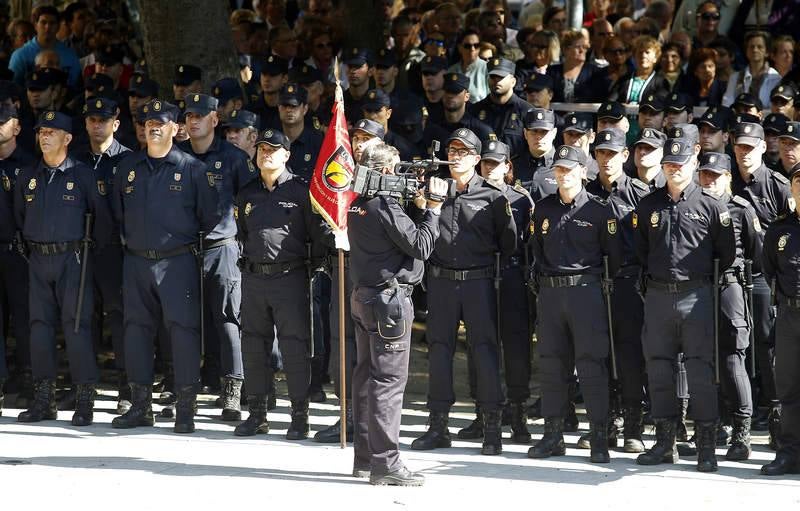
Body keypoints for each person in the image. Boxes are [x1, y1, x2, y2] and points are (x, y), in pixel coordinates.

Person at [110, 99, 220, 434]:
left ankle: (186, 407)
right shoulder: (127, 168)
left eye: (161, 122)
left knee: (184, 333)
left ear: (176, 129)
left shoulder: (192, 169)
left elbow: (210, 216)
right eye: (148, 122)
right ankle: (141, 406)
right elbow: (117, 213)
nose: (153, 127)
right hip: (137, 263)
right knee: (136, 332)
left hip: (177, 262)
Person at [634, 128, 736, 472]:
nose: (674, 169)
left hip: (697, 296)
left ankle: (706, 444)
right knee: (659, 368)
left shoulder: (711, 206)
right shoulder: (648, 205)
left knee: (700, 370)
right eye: (669, 164)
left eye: (680, 164)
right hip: (659, 296)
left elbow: (727, 252)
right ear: (662, 166)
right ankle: (665, 442)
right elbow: (640, 251)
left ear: (692, 163)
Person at [410, 128, 516, 456]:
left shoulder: (493, 196)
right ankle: (438, 425)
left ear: (476, 158)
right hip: (441, 280)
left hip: (478, 281)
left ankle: (491, 425)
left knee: (483, 350)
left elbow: (508, 242)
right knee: (439, 350)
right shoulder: (433, 189)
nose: (455, 156)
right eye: (452, 150)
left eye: (463, 152)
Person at [346, 142, 446, 486]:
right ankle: (386, 463)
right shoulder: (385, 206)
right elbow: (420, 245)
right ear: (386, 171)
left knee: (365, 378)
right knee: (387, 383)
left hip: (364, 297)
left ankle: (366, 459)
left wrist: (414, 208)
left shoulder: (359, 204)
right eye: (396, 169)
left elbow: (399, 240)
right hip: (388, 302)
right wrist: (432, 208)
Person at [14, 111, 111, 426]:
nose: (45, 137)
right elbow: (19, 216)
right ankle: (44, 399)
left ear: (67, 138)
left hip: (74, 258)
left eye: (52, 132)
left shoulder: (83, 175)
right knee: (39, 327)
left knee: (77, 326)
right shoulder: (28, 176)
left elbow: (102, 222)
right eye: (42, 131)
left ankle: (84, 399)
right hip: (38, 258)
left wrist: (86, 253)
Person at [529, 143, 621, 463]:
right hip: (552, 293)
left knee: (591, 364)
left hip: (587, 294)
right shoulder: (543, 209)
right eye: (559, 169)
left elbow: (614, 256)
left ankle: (598, 436)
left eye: (569, 169)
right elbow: (536, 252)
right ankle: (553, 435)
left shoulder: (599, 211)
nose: (563, 175)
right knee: (552, 364)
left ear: (583, 172)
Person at [232, 128, 321, 440]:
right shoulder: (246, 193)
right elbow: (242, 232)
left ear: (286, 155)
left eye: (273, 149)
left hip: (290, 278)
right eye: (261, 150)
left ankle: (300, 416)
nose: (266, 154)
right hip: (254, 277)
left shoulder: (300, 191)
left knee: (295, 347)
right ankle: (257, 414)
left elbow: (317, 237)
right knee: (253, 346)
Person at [179, 93, 255, 420]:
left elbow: (250, 202)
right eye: (188, 116)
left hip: (223, 246)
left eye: (200, 115)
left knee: (228, 320)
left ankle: (232, 391)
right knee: (183, 321)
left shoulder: (234, 158)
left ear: (214, 119)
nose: (193, 121)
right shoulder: (176, 156)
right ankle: (184, 389)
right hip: (182, 250)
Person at [457, 140, 533, 444]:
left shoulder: (521, 199)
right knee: (480, 344)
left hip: (513, 276)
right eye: (485, 162)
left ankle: (518, 413)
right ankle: (483, 411)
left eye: (495, 163)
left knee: (516, 347)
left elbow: (526, 242)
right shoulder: (469, 193)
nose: (489, 168)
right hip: (482, 274)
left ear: (507, 166)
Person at [585, 128, 651, 453]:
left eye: (613, 153)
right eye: (601, 153)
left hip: (628, 283)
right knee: (599, 354)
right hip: (596, 283)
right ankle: (606, 423)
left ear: (625, 156)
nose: (607, 159)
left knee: (629, 356)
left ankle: (633, 426)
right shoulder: (586, 192)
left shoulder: (640, 193)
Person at [730, 120, 793, 447]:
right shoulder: (725, 179)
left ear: (762, 147)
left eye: (751, 147)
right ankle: (740, 411)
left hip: (765, 277)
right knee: (736, 345)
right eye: (740, 146)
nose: (745, 153)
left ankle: (776, 418)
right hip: (730, 277)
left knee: (768, 347)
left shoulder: (777, 185)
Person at [697, 151, 761, 461]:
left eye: (715, 175)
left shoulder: (741, 210)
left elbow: (755, 252)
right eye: (705, 174)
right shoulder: (691, 206)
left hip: (728, 286)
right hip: (695, 290)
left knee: (733, 359)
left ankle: (741, 432)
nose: (709, 180)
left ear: (728, 178)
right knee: (697, 358)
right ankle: (706, 427)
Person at [74, 97, 132, 414]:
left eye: (103, 120)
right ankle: (84, 386)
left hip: (114, 249)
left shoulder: (128, 161)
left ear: (115, 123)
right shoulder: (76, 159)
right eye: (92, 120)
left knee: (120, 317)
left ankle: (127, 385)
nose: (97, 125)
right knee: (81, 317)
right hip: (80, 248)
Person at [761, 162, 800, 475]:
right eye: (798, 182)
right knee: (787, 386)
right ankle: (789, 452)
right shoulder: (780, 229)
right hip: (789, 314)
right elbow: (770, 269)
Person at [0, 103, 35, 411]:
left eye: (2, 122)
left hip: (19, 250)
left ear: (16, 127)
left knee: (25, 319)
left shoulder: (29, 164)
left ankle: (28, 378)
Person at [471, 58, 531, 163]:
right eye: (493, 77)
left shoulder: (526, 111)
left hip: (515, 171)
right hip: (483, 169)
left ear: (513, 82)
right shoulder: (475, 110)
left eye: (501, 77)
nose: (496, 81)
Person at [8, 6, 82, 88]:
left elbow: (75, 86)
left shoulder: (70, 55)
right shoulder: (20, 55)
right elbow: (14, 87)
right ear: (36, 26)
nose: (48, 27)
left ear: (58, 27)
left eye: (52, 23)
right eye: (43, 22)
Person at [722, 32, 781, 111]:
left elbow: (775, 106)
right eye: (751, 46)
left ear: (767, 52)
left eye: (759, 47)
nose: (755, 50)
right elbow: (726, 104)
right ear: (746, 50)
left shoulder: (775, 77)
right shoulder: (735, 77)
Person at [278, 84, 324, 180]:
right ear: (279, 108)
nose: (289, 110)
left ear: (305, 109)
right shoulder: (271, 141)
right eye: (285, 105)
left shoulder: (317, 141)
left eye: (294, 106)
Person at [517, 107, 557, 198]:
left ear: (554, 133)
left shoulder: (564, 168)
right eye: (534, 131)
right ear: (525, 134)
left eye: (544, 132)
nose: (538, 136)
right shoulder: (514, 166)